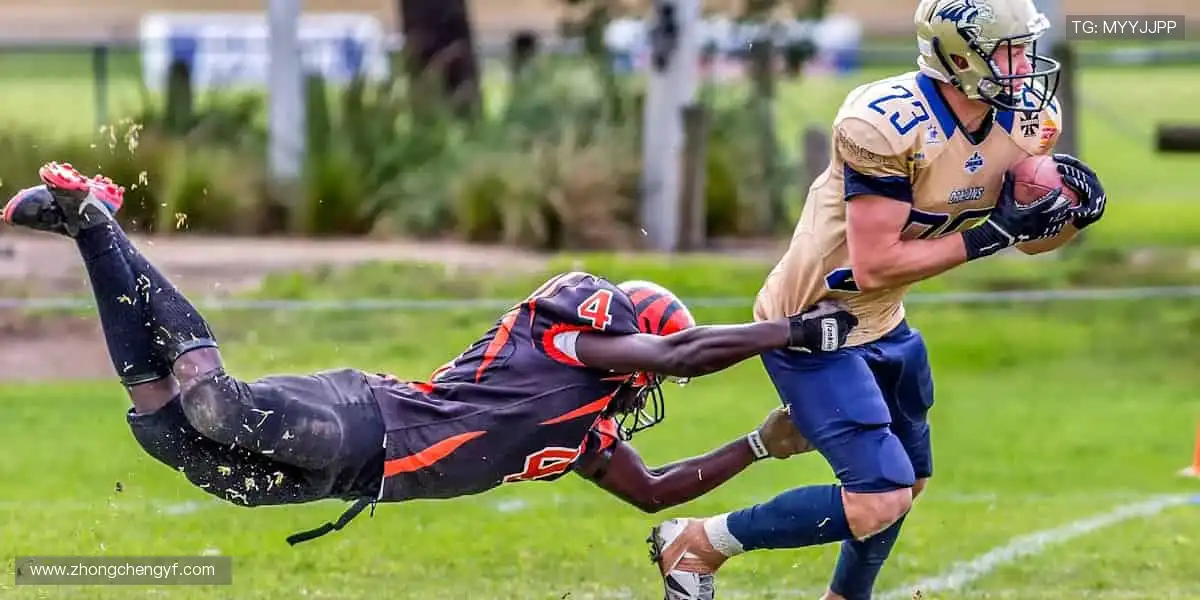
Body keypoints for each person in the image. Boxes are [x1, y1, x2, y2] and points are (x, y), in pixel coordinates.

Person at [2, 161, 860, 546]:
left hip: (354, 478)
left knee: (168, 431)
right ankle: (99, 222)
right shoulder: (576, 335)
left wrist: (758, 445)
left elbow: (657, 491)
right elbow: (681, 357)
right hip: (370, 419)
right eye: (647, 360)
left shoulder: (588, 429)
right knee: (215, 405)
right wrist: (789, 331)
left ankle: (87, 231)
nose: (645, 383)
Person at [647, 1, 1109, 598]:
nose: (1024, 65)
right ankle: (699, 543)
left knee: (907, 483)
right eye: (1008, 51)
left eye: (1025, 48)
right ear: (959, 57)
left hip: (885, 319)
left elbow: (1027, 240)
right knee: (879, 496)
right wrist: (992, 234)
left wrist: (1065, 216)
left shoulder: (1026, 119)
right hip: (814, 322)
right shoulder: (886, 123)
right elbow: (874, 265)